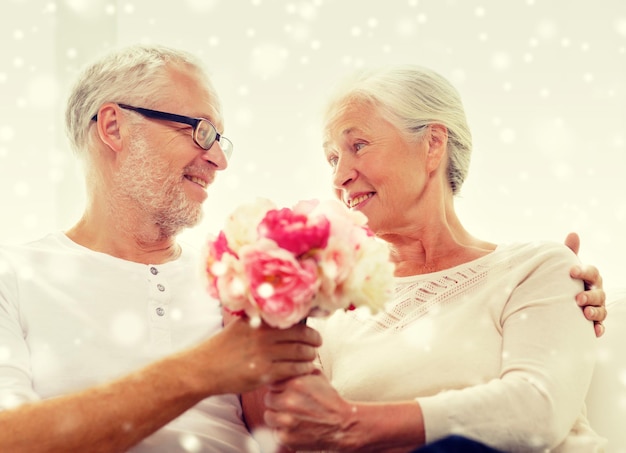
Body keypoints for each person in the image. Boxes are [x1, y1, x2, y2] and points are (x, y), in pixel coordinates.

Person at [246, 66, 608, 451]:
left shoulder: (537, 268)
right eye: (332, 158)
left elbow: (537, 411)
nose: (339, 177)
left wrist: (355, 424)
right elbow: (295, 437)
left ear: (433, 144)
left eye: (358, 146)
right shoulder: (329, 309)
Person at [0, 44, 323, 452]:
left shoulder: (231, 277)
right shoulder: (12, 275)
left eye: (220, 139)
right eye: (200, 130)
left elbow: (287, 439)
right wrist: (204, 369)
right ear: (114, 127)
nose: (219, 160)